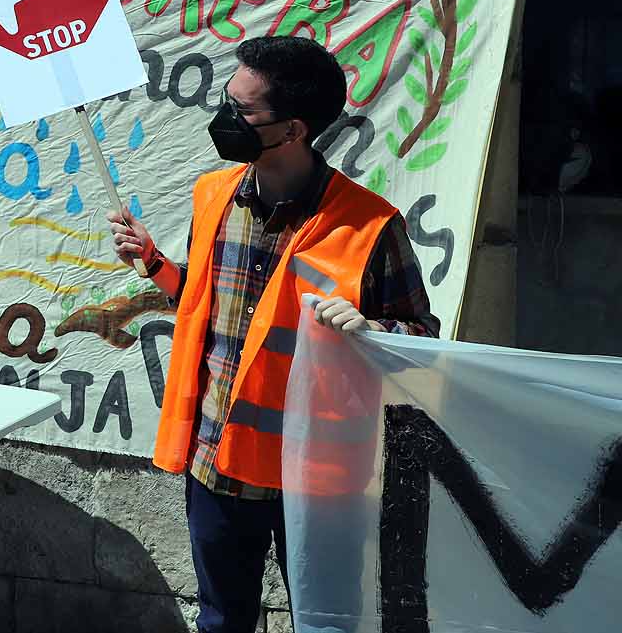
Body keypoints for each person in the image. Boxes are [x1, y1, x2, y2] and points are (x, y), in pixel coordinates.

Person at [108, 36, 438, 633]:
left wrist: (373, 330)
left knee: (326, 623)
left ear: (291, 130)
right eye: (227, 99)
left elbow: (421, 340)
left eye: (242, 109)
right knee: (219, 622)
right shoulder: (213, 197)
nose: (225, 116)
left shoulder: (369, 226)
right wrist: (154, 262)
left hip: (315, 478)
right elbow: (206, 305)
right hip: (218, 461)